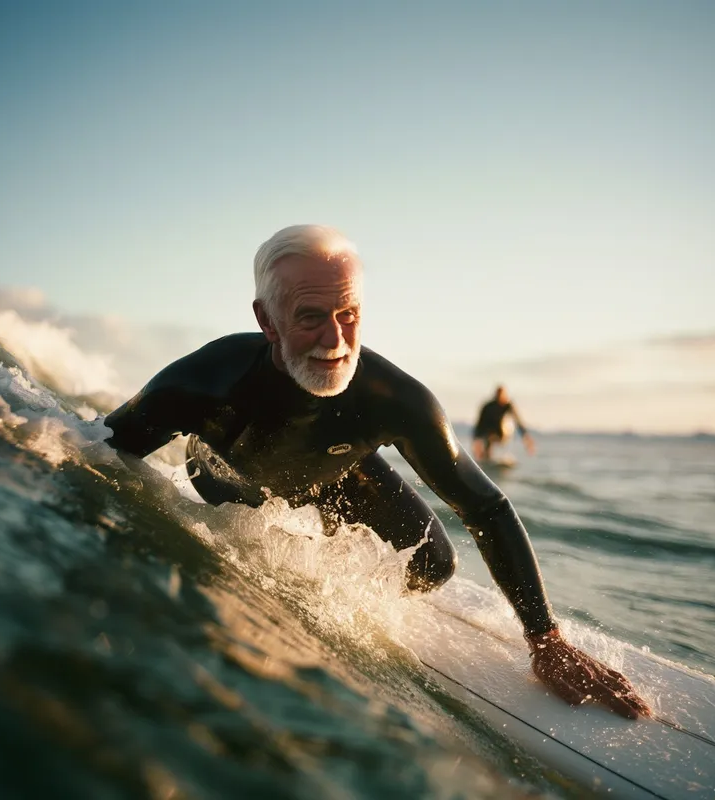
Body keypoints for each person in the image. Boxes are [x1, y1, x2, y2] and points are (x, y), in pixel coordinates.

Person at [105, 224, 650, 719]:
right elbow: (101, 450)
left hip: (340, 474)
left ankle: (319, 560)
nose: (335, 341)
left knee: (434, 567)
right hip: (227, 479)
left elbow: (486, 506)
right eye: (310, 317)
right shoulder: (203, 381)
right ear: (266, 320)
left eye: (349, 315)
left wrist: (546, 640)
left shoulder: (397, 401)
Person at [472, 386, 535, 462]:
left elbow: (518, 422)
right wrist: (476, 440)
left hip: (504, 432)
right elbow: (480, 424)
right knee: (488, 440)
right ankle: (487, 457)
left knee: (502, 427)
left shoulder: (508, 406)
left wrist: (526, 439)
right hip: (489, 433)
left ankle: (490, 456)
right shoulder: (488, 407)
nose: (500, 400)